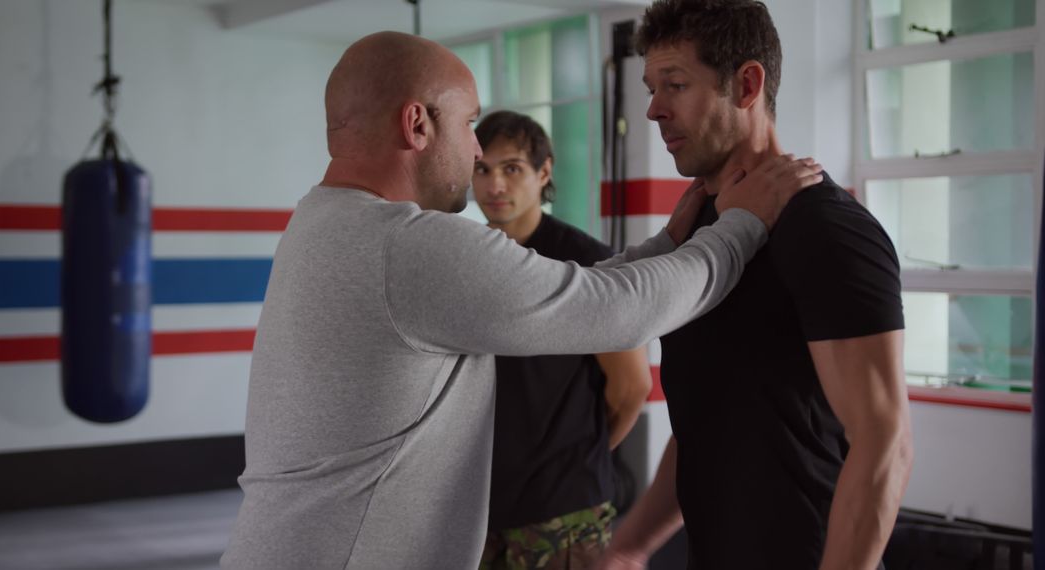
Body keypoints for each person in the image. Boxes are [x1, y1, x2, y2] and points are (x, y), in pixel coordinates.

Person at [220, 30, 821, 569]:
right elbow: (618, 312)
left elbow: (580, 290)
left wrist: (668, 243)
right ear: (417, 125)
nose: (478, 155)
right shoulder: (410, 245)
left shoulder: (322, 222)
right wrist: (741, 227)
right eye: (467, 125)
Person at [596, 1, 914, 569]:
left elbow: (884, 440)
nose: (653, 110)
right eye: (651, 87)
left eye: (674, 84)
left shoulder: (825, 228)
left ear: (747, 84)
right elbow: (708, 419)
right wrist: (632, 545)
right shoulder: (699, 230)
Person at [471, 111, 652, 569]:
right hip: (482, 508)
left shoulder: (587, 263)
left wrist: (574, 455)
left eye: (511, 168)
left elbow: (632, 388)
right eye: (482, 169)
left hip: (565, 513)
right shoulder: (469, 262)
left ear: (544, 172)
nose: (494, 185)